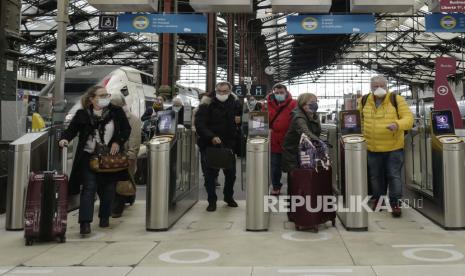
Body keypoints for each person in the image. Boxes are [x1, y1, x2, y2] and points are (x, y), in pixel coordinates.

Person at [58, 86, 131, 235]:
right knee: (89, 188)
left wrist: (118, 141)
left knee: (109, 189)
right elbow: (71, 130)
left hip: (109, 158)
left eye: (107, 94)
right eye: (102, 95)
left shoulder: (116, 112)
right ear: (92, 98)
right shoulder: (82, 114)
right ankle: (85, 223)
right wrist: (64, 139)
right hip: (88, 157)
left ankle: (104, 217)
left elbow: (126, 129)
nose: (106, 97)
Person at [358, 75, 413, 217]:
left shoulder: (396, 99)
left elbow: (409, 119)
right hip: (372, 147)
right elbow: (359, 120)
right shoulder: (364, 101)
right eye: (375, 86)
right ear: (371, 87)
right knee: (375, 176)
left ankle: (395, 203)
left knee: (393, 175)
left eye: (382, 86)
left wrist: (397, 124)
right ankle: (379, 200)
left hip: (393, 147)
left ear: (387, 87)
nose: (379, 89)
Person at [195, 81, 242, 212]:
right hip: (210, 144)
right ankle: (212, 201)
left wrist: (240, 120)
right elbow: (200, 124)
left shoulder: (235, 103)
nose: (222, 94)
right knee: (210, 175)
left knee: (231, 174)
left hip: (229, 144)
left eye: (225, 91)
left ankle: (228, 197)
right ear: (215, 91)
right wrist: (211, 136)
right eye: (219, 91)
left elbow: (243, 120)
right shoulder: (206, 104)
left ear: (229, 91)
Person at [110, 94, 141, 218]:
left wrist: (131, 155)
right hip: (110, 156)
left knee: (122, 182)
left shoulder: (133, 120)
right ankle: (128, 197)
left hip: (125, 156)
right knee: (113, 182)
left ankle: (117, 209)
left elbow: (134, 139)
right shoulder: (108, 116)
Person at [265, 84, 297, 196]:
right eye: (277, 93)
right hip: (274, 140)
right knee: (275, 167)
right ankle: (276, 186)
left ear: (286, 92)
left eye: (281, 92)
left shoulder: (294, 104)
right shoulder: (267, 105)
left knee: (291, 165)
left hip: (289, 140)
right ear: (273, 92)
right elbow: (261, 120)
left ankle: (293, 187)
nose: (279, 94)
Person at [282, 93, 321, 174]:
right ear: (303, 104)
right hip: (294, 154)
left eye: (316, 101)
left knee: (306, 177)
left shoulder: (313, 115)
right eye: (312, 102)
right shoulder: (298, 116)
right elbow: (305, 132)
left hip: (305, 150)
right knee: (298, 178)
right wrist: (319, 142)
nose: (315, 104)